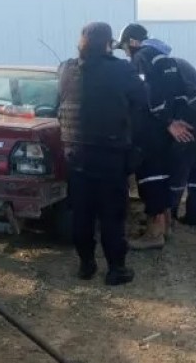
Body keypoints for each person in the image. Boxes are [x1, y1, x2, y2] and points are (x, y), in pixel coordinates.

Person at [58, 22, 146, 286]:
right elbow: (142, 103)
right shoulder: (122, 69)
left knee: (82, 213)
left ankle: (86, 265)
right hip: (110, 155)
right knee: (112, 214)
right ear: (108, 43)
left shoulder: (66, 69)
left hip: (75, 154)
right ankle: (116, 269)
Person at [116, 23, 194, 251]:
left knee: (150, 180)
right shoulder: (165, 58)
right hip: (168, 131)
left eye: (124, 47)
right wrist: (174, 119)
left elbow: (146, 93)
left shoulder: (142, 57)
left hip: (151, 131)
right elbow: (178, 93)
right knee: (162, 178)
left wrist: (167, 120)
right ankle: (166, 226)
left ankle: (154, 233)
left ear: (132, 42)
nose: (126, 53)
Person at [169, 57, 196, 228]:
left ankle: (169, 214)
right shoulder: (187, 68)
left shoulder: (168, 72)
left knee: (177, 173)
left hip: (184, 127)